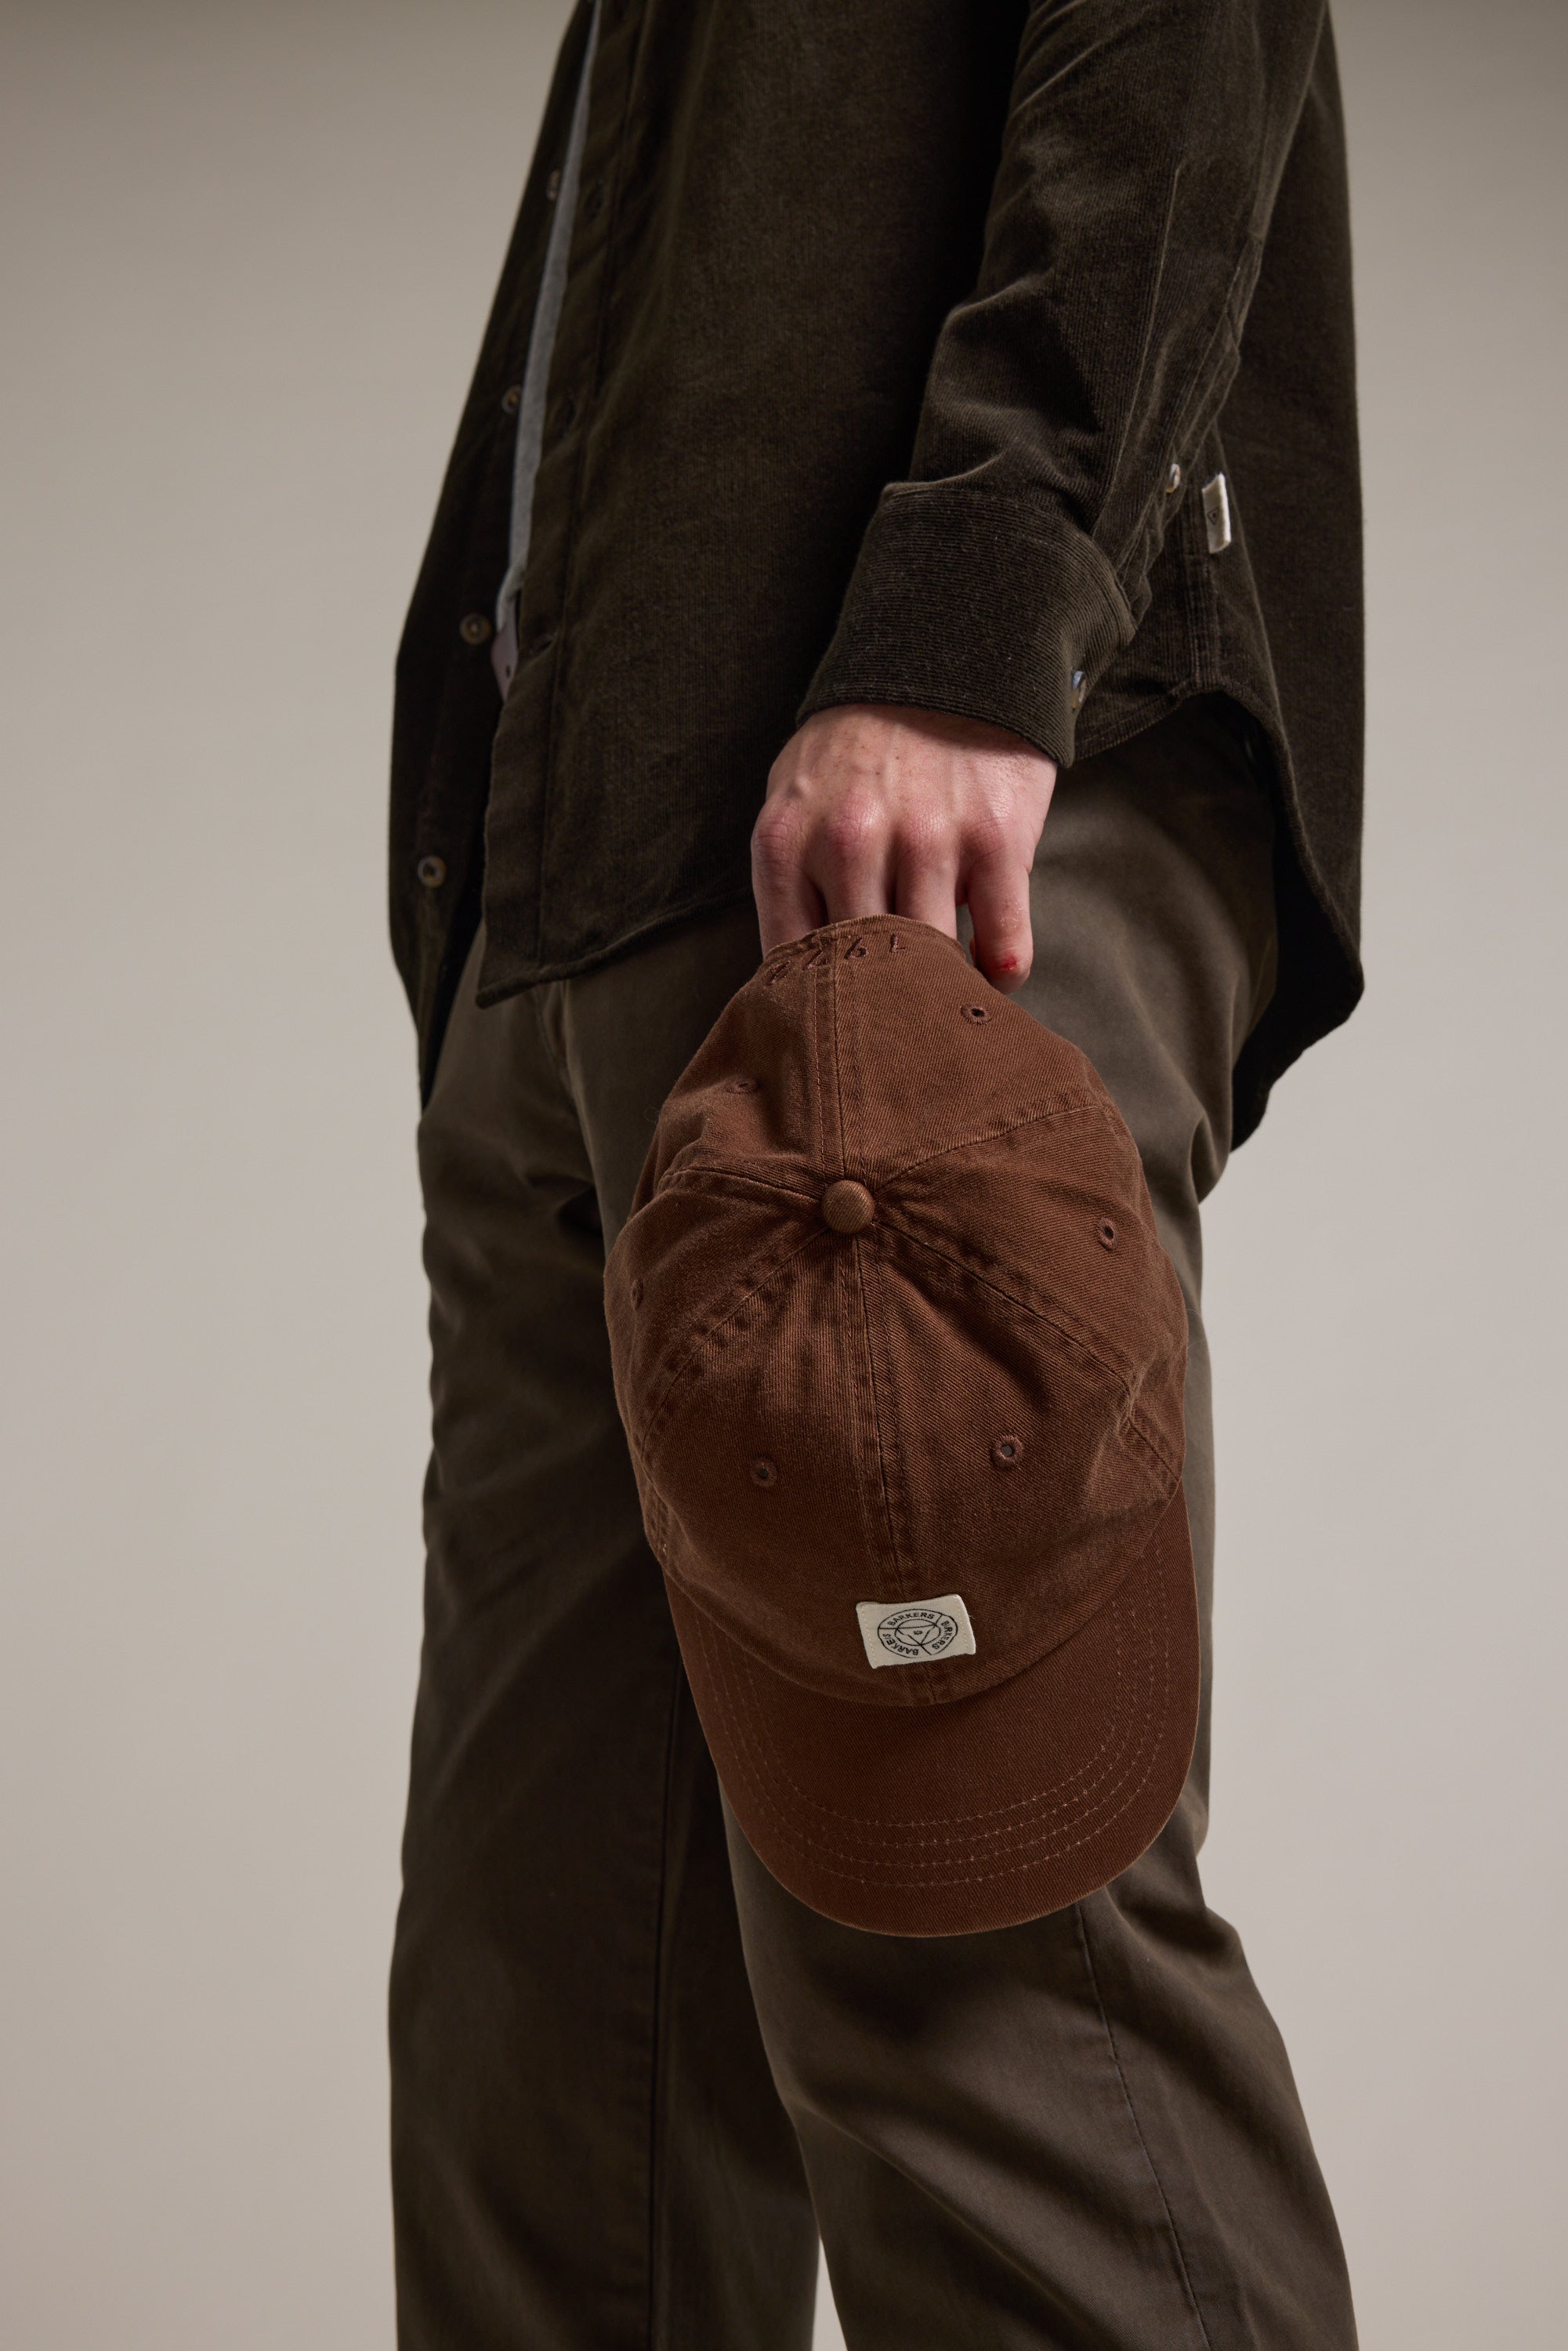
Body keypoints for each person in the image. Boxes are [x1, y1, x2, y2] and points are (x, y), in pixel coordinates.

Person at [386, 2, 1363, 2344]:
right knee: (546, 2065)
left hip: (908, 819)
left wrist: (979, 602)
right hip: (576, 850)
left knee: (976, 1988)